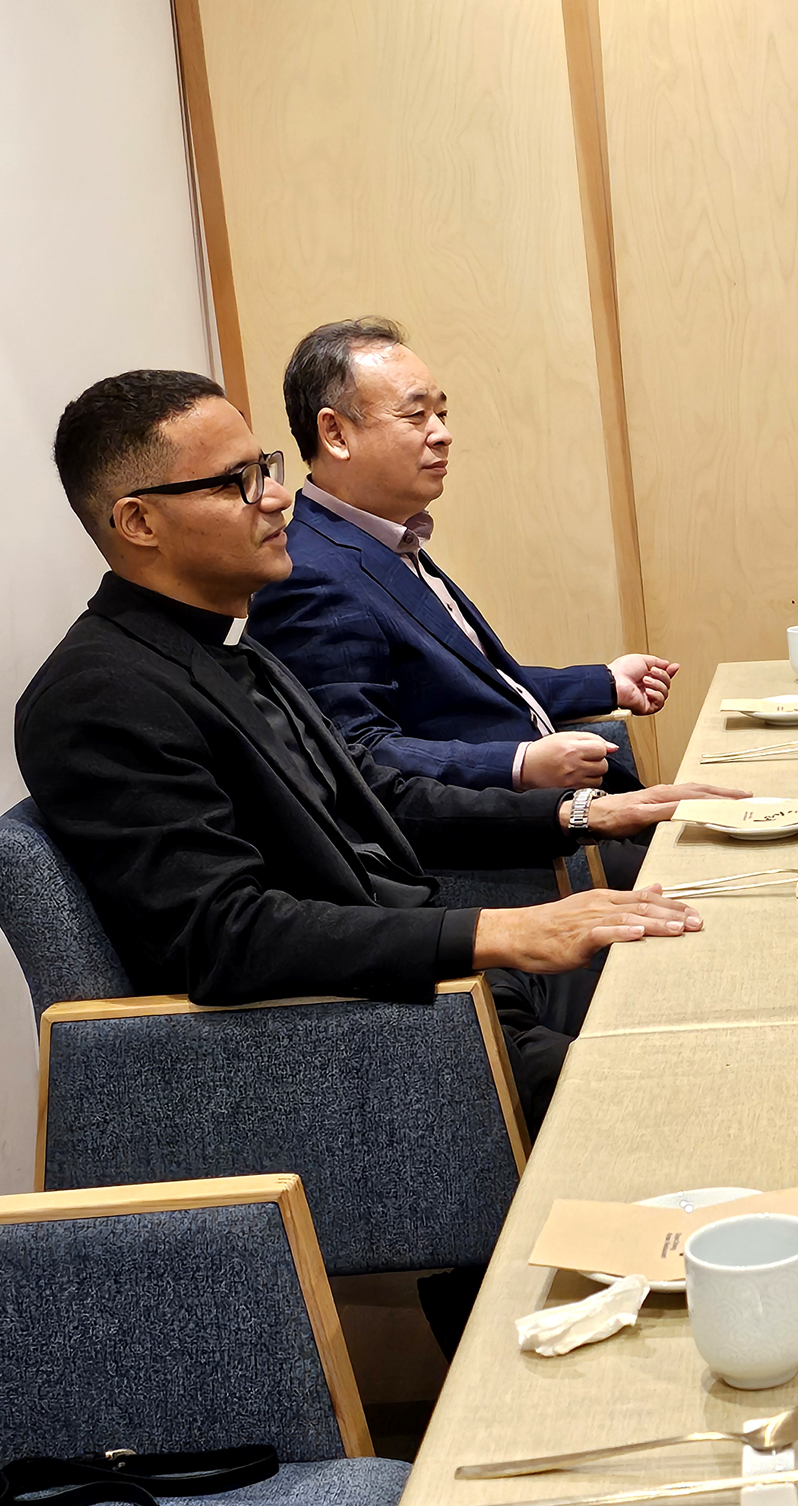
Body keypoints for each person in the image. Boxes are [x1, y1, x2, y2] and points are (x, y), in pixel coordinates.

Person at [21, 369, 747, 1141]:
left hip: (439, 983)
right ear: (138, 522)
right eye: (239, 482)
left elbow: (380, 794)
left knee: (717, 957)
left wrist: (584, 813)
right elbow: (227, 935)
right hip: (363, 1040)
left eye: (263, 465)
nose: (276, 496)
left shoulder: (230, 651)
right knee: (693, 1093)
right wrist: (495, 931)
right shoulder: (99, 697)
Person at [248, 316, 674, 795]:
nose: (442, 434)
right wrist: (519, 763)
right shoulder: (310, 575)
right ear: (336, 434)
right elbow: (356, 753)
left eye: (442, 415)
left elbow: (466, 688)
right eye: (415, 416)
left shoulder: (386, 539)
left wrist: (606, 682)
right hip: (495, 849)